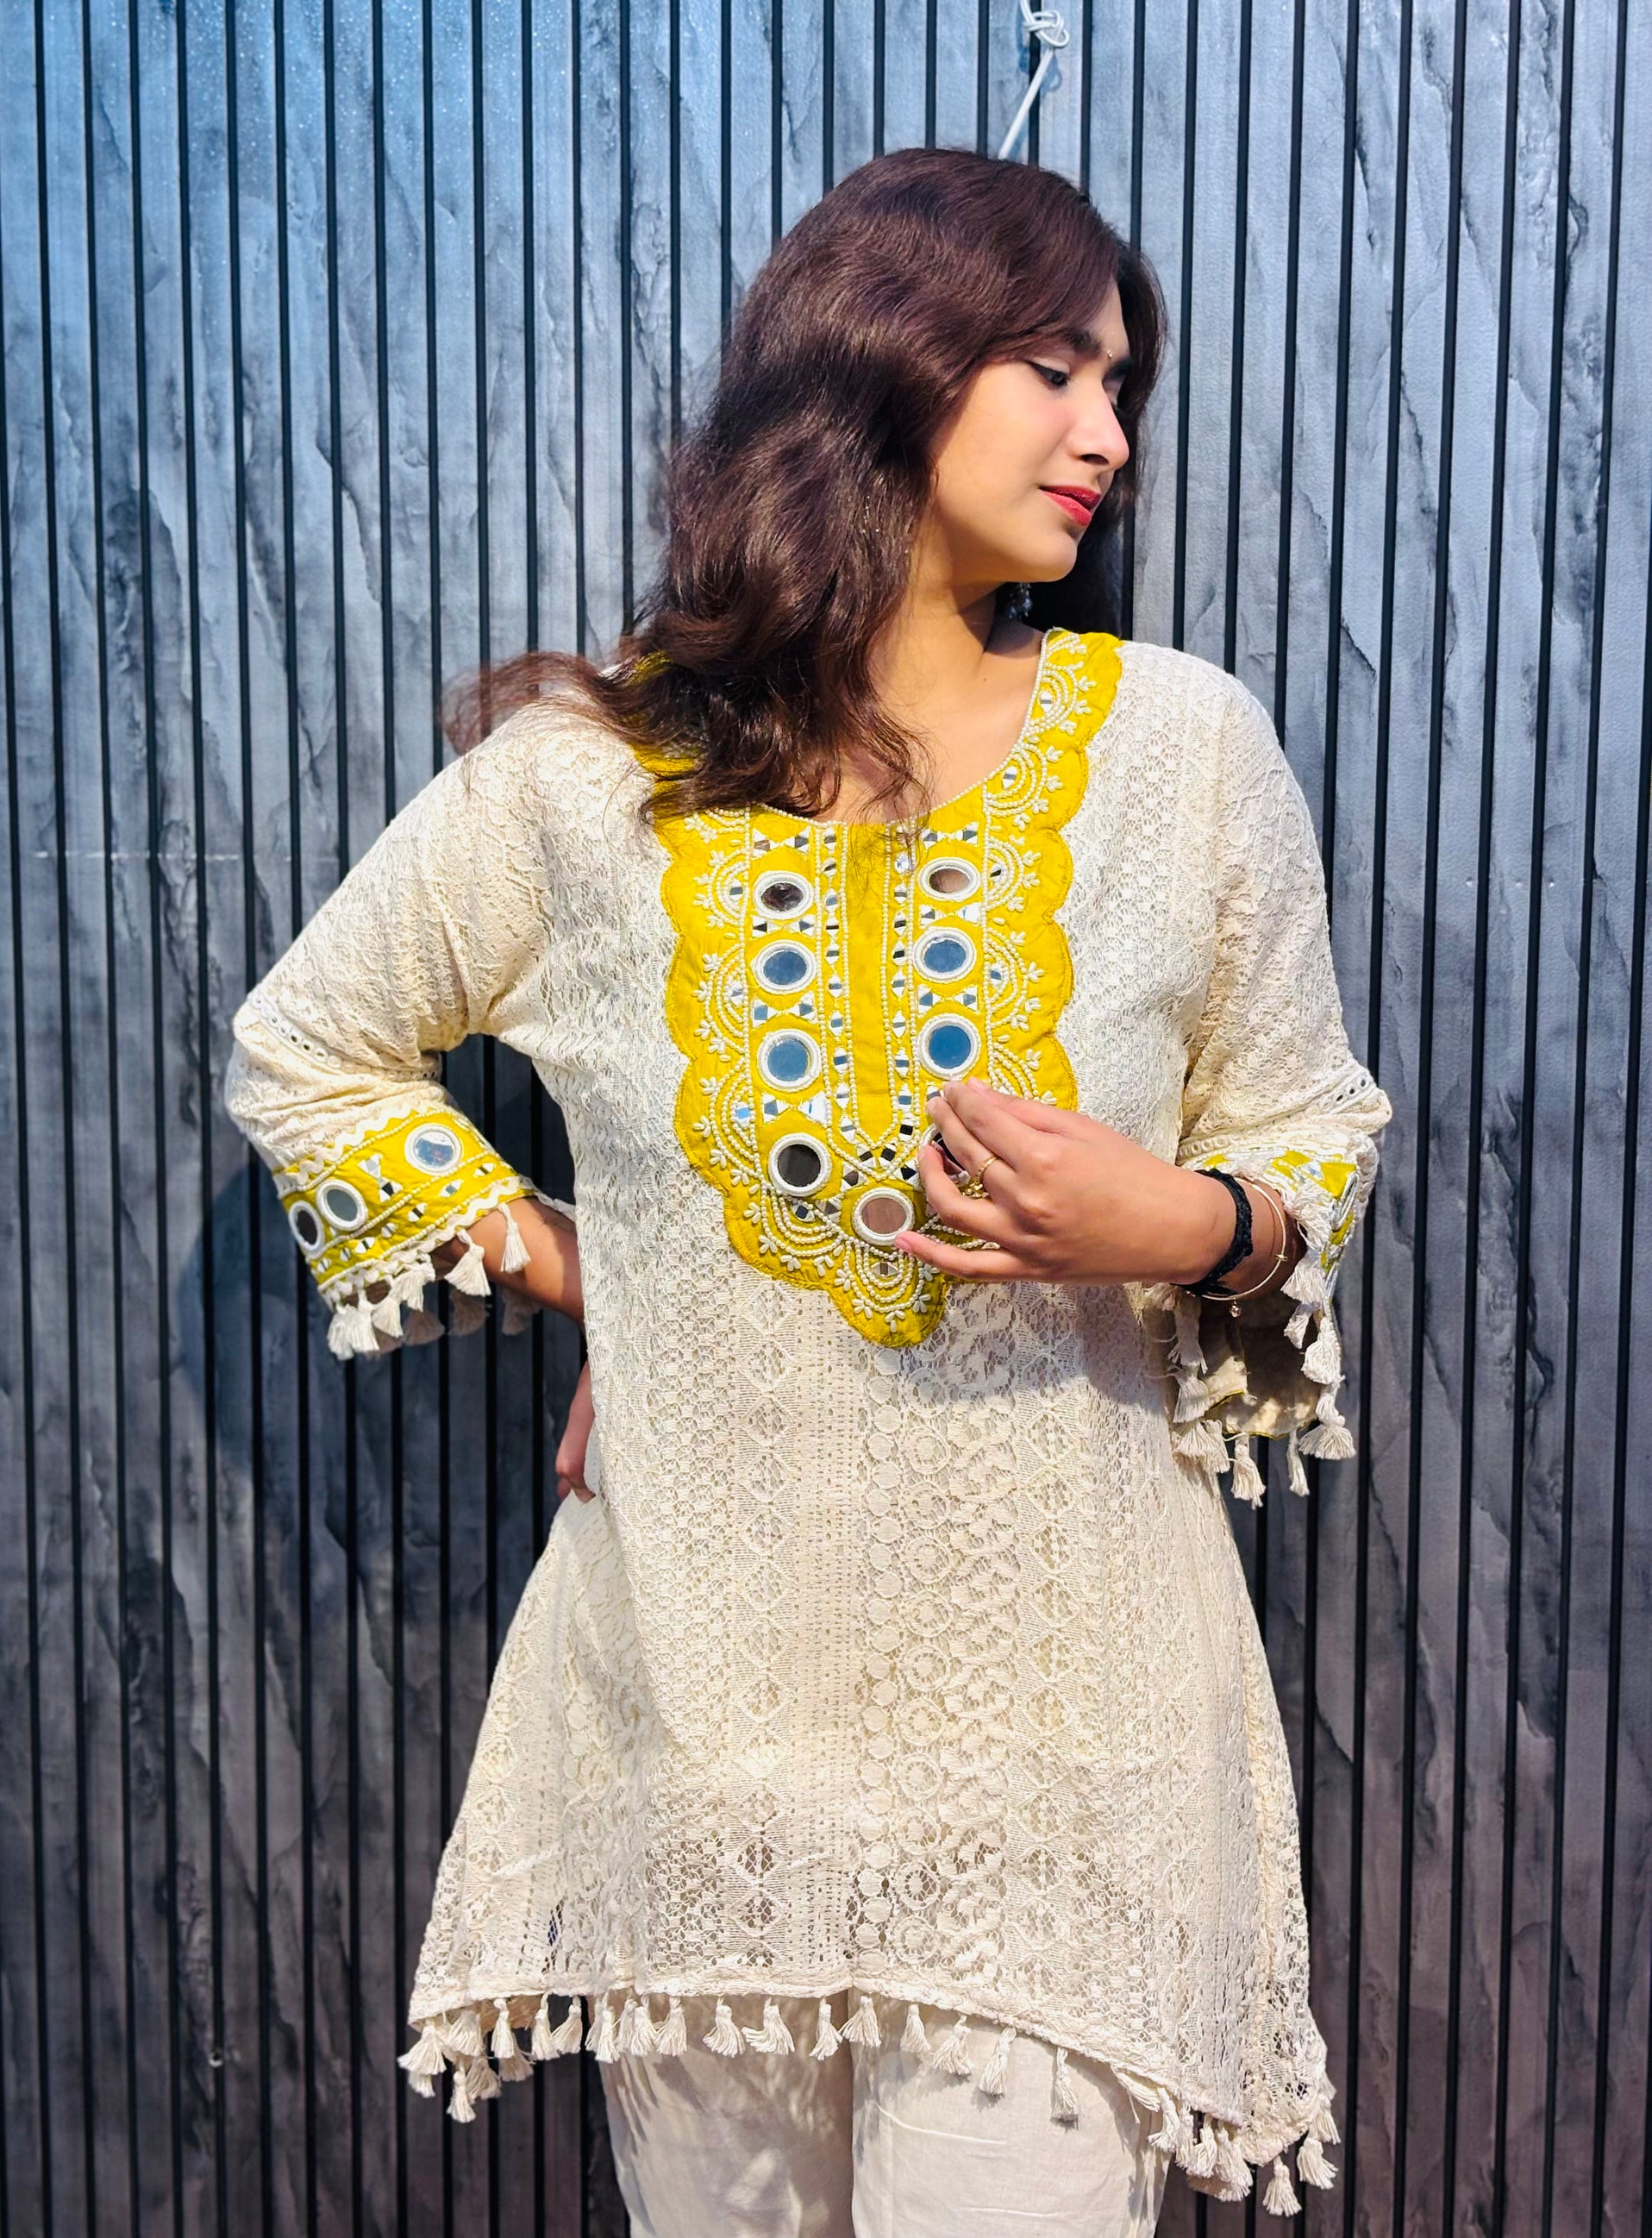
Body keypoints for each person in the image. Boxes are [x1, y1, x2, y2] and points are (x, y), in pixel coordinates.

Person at [222, 147, 1391, 2237]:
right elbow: (303, 1047)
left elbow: (1309, 1124)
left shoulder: (1183, 756)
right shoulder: (596, 782)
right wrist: (617, 1278)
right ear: (880, 360)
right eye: (1054, 368)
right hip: (705, 1757)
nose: (1108, 435)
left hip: (1067, 1765)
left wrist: (1188, 1226)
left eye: (1121, 385)